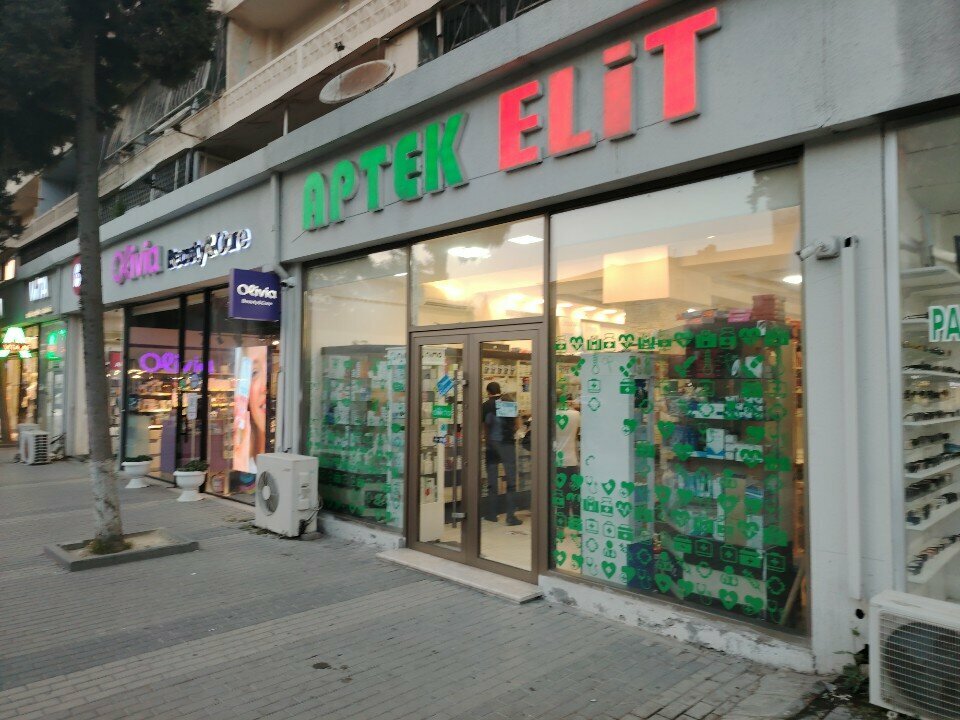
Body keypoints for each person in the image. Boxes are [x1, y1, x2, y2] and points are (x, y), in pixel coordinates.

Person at [481, 381, 521, 525]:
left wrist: (488, 439)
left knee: (492, 480)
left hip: (491, 446)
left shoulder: (485, 405)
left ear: (488, 392)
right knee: (511, 480)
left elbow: (484, 427)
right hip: (507, 445)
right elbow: (517, 424)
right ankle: (510, 517)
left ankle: (492, 514)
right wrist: (510, 433)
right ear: (499, 390)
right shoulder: (508, 402)